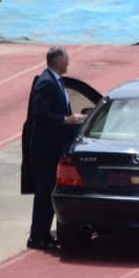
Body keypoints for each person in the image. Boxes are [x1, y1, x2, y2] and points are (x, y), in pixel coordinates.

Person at [23, 46, 84, 251]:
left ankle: (43, 234)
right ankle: (37, 236)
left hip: (53, 148)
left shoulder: (55, 81)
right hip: (46, 150)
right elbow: (40, 114)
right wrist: (66, 120)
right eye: (66, 60)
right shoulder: (46, 83)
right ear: (57, 61)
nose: (68, 63)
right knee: (44, 194)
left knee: (48, 193)